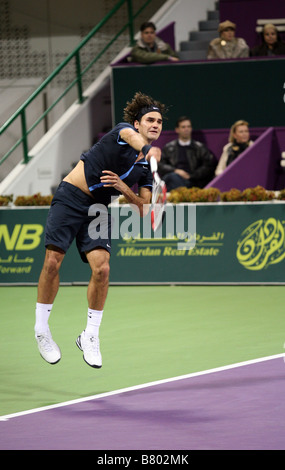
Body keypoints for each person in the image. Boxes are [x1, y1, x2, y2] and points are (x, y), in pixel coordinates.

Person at [34, 92, 166, 368]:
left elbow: (143, 209)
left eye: (160, 121)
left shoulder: (144, 169)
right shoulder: (123, 132)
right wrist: (148, 149)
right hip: (71, 196)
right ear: (137, 123)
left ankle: (90, 336)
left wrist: (122, 189)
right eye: (150, 120)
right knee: (52, 263)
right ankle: (41, 329)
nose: (155, 124)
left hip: (99, 207)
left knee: (102, 269)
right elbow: (136, 141)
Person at [158, 116, 216, 190]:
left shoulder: (199, 147)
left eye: (188, 126)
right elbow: (161, 165)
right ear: (177, 130)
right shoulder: (169, 147)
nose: (186, 129)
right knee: (171, 178)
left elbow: (208, 166)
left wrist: (191, 176)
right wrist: (175, 171)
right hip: (174, 178)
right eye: (183, 127)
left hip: (194, 181)